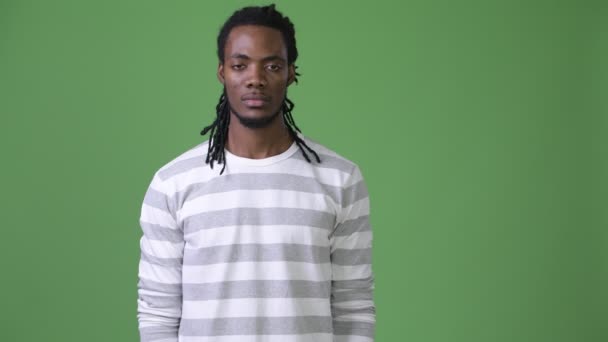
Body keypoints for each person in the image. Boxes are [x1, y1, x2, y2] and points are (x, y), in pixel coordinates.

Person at [136, 4, 376, 342]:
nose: (255, 79)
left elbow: (353, 308)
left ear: (291, 72)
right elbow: (158, 316)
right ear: (222, 72)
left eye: (273, 66)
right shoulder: (173, 184)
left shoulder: (340, 179)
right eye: (240, 65)